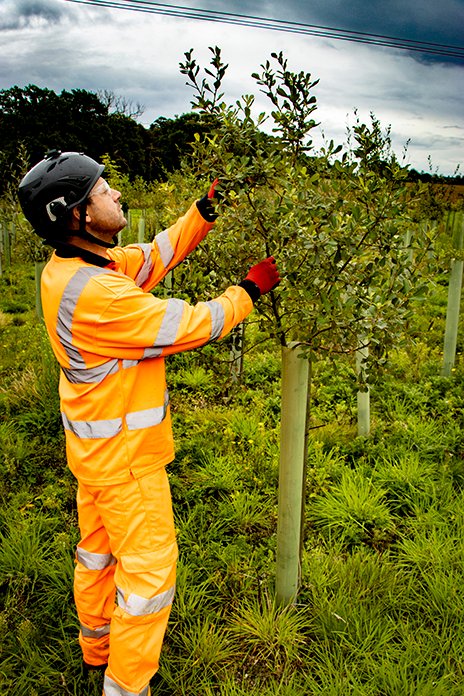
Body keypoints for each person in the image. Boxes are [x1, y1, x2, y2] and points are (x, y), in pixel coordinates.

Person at [17, 149, 280, 696]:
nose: (116, 194)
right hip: (128, 462)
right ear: (78, 216)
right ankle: (126, 686)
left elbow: (153, 255)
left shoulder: (75, 268)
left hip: (95, 456)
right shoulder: (99, 295)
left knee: (96, 553)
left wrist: (203, 211)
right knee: (149, 576)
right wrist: (249, 291)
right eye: (103, 190)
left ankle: (96, 650)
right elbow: (190, 324)